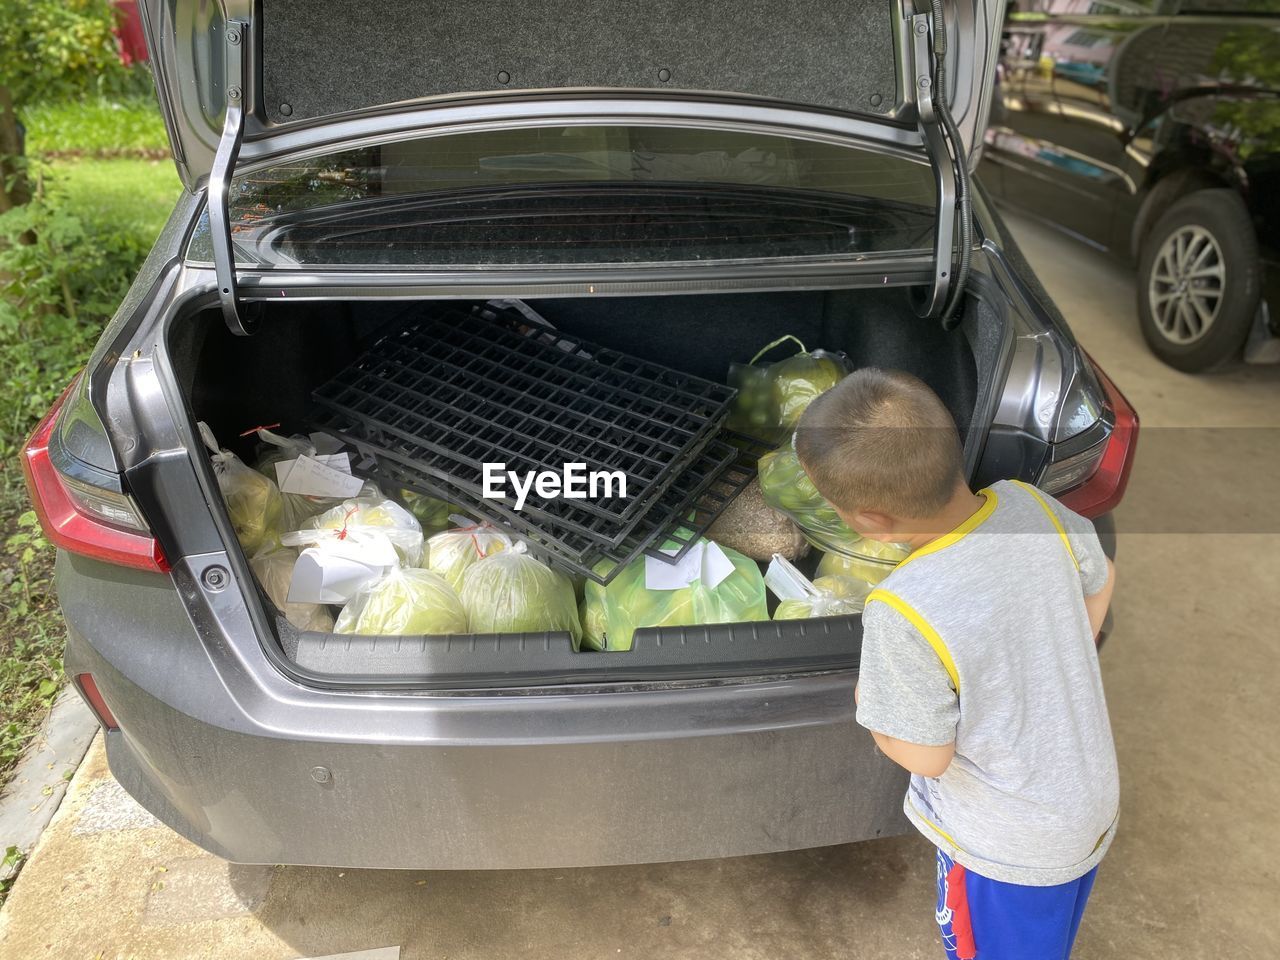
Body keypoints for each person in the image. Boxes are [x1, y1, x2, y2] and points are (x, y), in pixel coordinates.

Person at [794, 368, 1119, 960]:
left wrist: (873, 709)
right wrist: (1063, 650)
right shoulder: (1032, 506)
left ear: (866, 523)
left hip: (1008, 843)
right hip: (1088, 798)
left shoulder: (903, 607)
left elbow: (928, 754)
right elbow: (1101, 576)